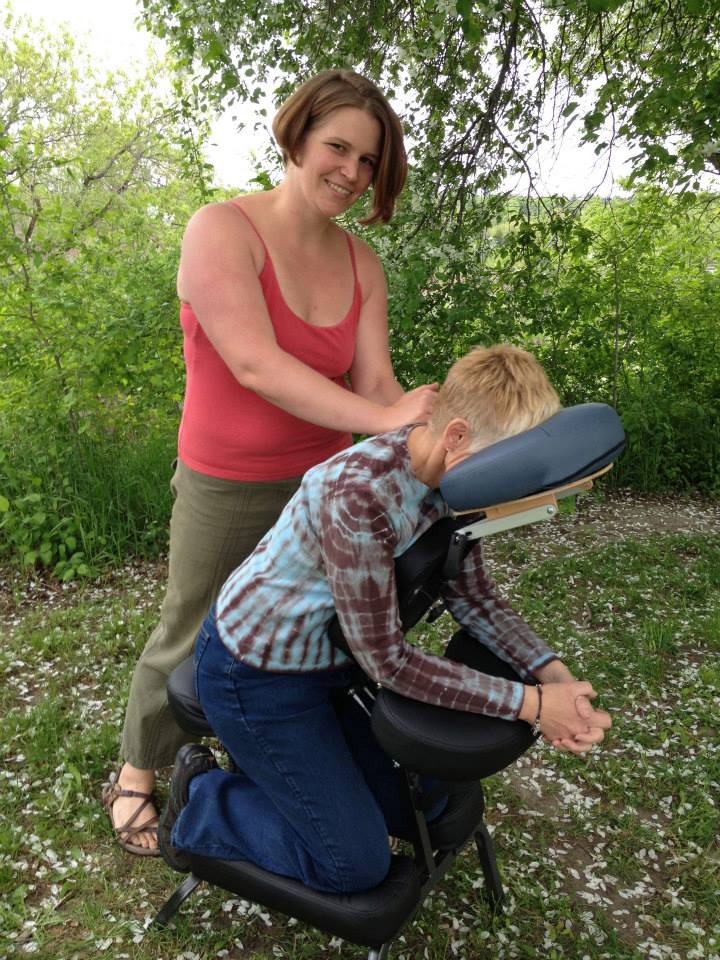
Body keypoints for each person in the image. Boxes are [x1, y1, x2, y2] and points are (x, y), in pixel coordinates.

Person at [102, 69, 439, 855]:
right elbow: (256, 365)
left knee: (303, 631)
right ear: (296, 137)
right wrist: (385, 419)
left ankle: (273, 749)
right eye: (339, 148)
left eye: (368, 163)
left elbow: (378, 384)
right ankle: (137, 773)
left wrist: (425, 437)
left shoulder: (362, 264)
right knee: (191, 625)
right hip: (227, 480)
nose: (351, 174)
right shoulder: (221, 230)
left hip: (320, 487)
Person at [156, 345, 612, 894]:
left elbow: (475, 599)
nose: (509, 486)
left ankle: (289, 780)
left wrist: (553, 674)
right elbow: (389, 664)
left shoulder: (462, 484)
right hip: (255, 674)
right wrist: (535, 706)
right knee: (353, 863)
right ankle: (204, 796)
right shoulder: (358, 497)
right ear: (458, 435)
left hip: (336, 663)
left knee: (417, 803)